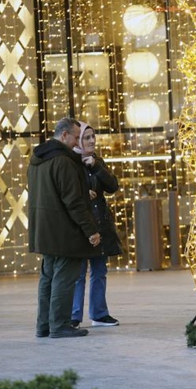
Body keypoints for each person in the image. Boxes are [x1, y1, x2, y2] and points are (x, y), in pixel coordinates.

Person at [28, 117, 101, 338]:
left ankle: (44, 325)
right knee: (64, 278)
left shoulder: (37, 160)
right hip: (64, 231)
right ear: (64, 135)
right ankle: (59, 325)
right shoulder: (64, 161)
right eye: (76, 137)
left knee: (48, 278)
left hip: (44, 230)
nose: (78, 142)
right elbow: (74, 201)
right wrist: (91, 230)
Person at [71, 121, 123, 328]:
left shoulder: (97, 161)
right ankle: (74, 316)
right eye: (87, 137)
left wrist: (97, 167)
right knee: (78, 273)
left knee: (100, 270)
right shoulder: (71, 162)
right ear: (78, 140)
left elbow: (112, 186)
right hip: (81, 226)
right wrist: (84, 192)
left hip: (100, 223)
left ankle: (99, 314)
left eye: (93, 137)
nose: (92, 141)